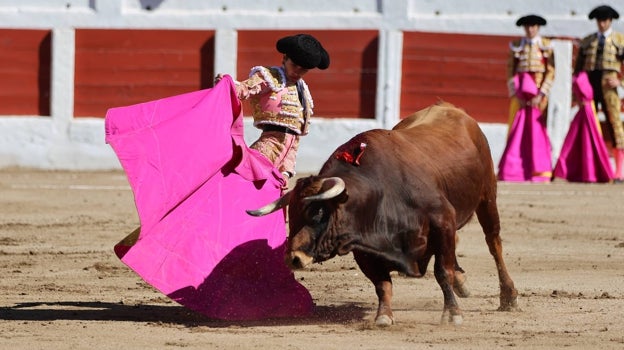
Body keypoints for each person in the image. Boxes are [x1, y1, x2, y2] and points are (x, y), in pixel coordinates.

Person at [215, 33, 330, 181]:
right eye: (294, 65)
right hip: (266, 149)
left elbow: (294, 139)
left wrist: (286, 171)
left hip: (284, 157)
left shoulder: (302, 90)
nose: (297, 72)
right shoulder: (271, 76)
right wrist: (227, 84)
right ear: (284, 59)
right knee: (244, 184)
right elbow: (245, 89)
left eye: (303, 70)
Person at [498, 14, 555, 182]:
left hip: (540, 98)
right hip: (521, 98)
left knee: (540, 132)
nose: (530, 29)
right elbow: (510, 71)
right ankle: (517, 169)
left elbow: (551, 72)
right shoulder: (516, 46)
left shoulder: (546, 46)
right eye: (527, 27)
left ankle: (540, 169)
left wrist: (541, 94)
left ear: (538, 28)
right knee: (517, 130)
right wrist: (516, 94)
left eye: (533, 26)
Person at [574, 5, 624, 183]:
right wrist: (578, 93)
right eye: (599, 20)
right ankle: (591, 168)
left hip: (609, 87)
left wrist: (621, 81)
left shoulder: (620, 40)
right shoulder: (588, 41)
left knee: (615, 125)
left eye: (605, 20)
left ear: (610, 21)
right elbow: (578, 70)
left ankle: (620, 171)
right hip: (590, 86)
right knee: (589, 125)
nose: (602, 24)